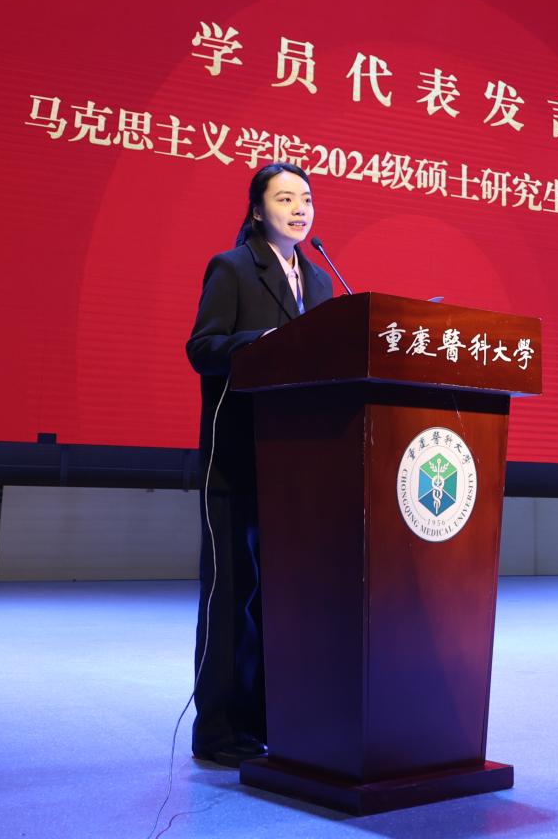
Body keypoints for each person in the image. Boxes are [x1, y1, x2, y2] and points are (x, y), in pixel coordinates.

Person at [183, 161, 332, 767]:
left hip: (292, 467)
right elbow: (203, 349)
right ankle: (219, 729)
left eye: (307, 198)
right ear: (256, 209)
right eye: (286, 198)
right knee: (231, 593)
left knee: (279, 595)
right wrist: (261, 343)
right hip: (236, 458)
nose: (300, 209)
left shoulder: (319, 282)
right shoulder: (233, 267)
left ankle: (270, 718)